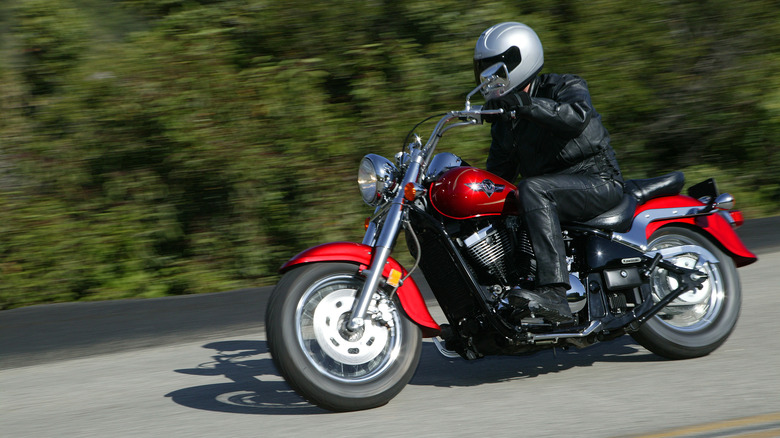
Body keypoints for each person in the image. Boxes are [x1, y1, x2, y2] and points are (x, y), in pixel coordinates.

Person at [474, 22, 624, 323]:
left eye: (495, 67)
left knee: (532, 188)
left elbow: (576, 117)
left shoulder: (564, 86)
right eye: (483, 68)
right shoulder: (506, 121)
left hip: (597, 181)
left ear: (521, 59)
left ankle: (555, 293)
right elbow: (498, 174)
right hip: (551, 190)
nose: (488, 76)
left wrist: (528, 105)